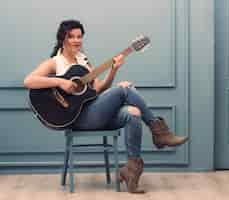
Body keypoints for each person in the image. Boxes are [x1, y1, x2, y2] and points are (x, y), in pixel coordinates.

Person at [23, 19, 189, 193]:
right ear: (62, 39)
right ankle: (160, 132)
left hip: (94, 112)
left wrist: (114, 70)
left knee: (134, 112)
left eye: (79, 36)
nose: (76, 40)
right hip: (77, 118)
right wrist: (60, 82)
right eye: (71, 36)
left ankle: (131, 170)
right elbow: (29, 81)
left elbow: (98, 89)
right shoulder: (55, 62)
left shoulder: (84, 62)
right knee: (124, 90)